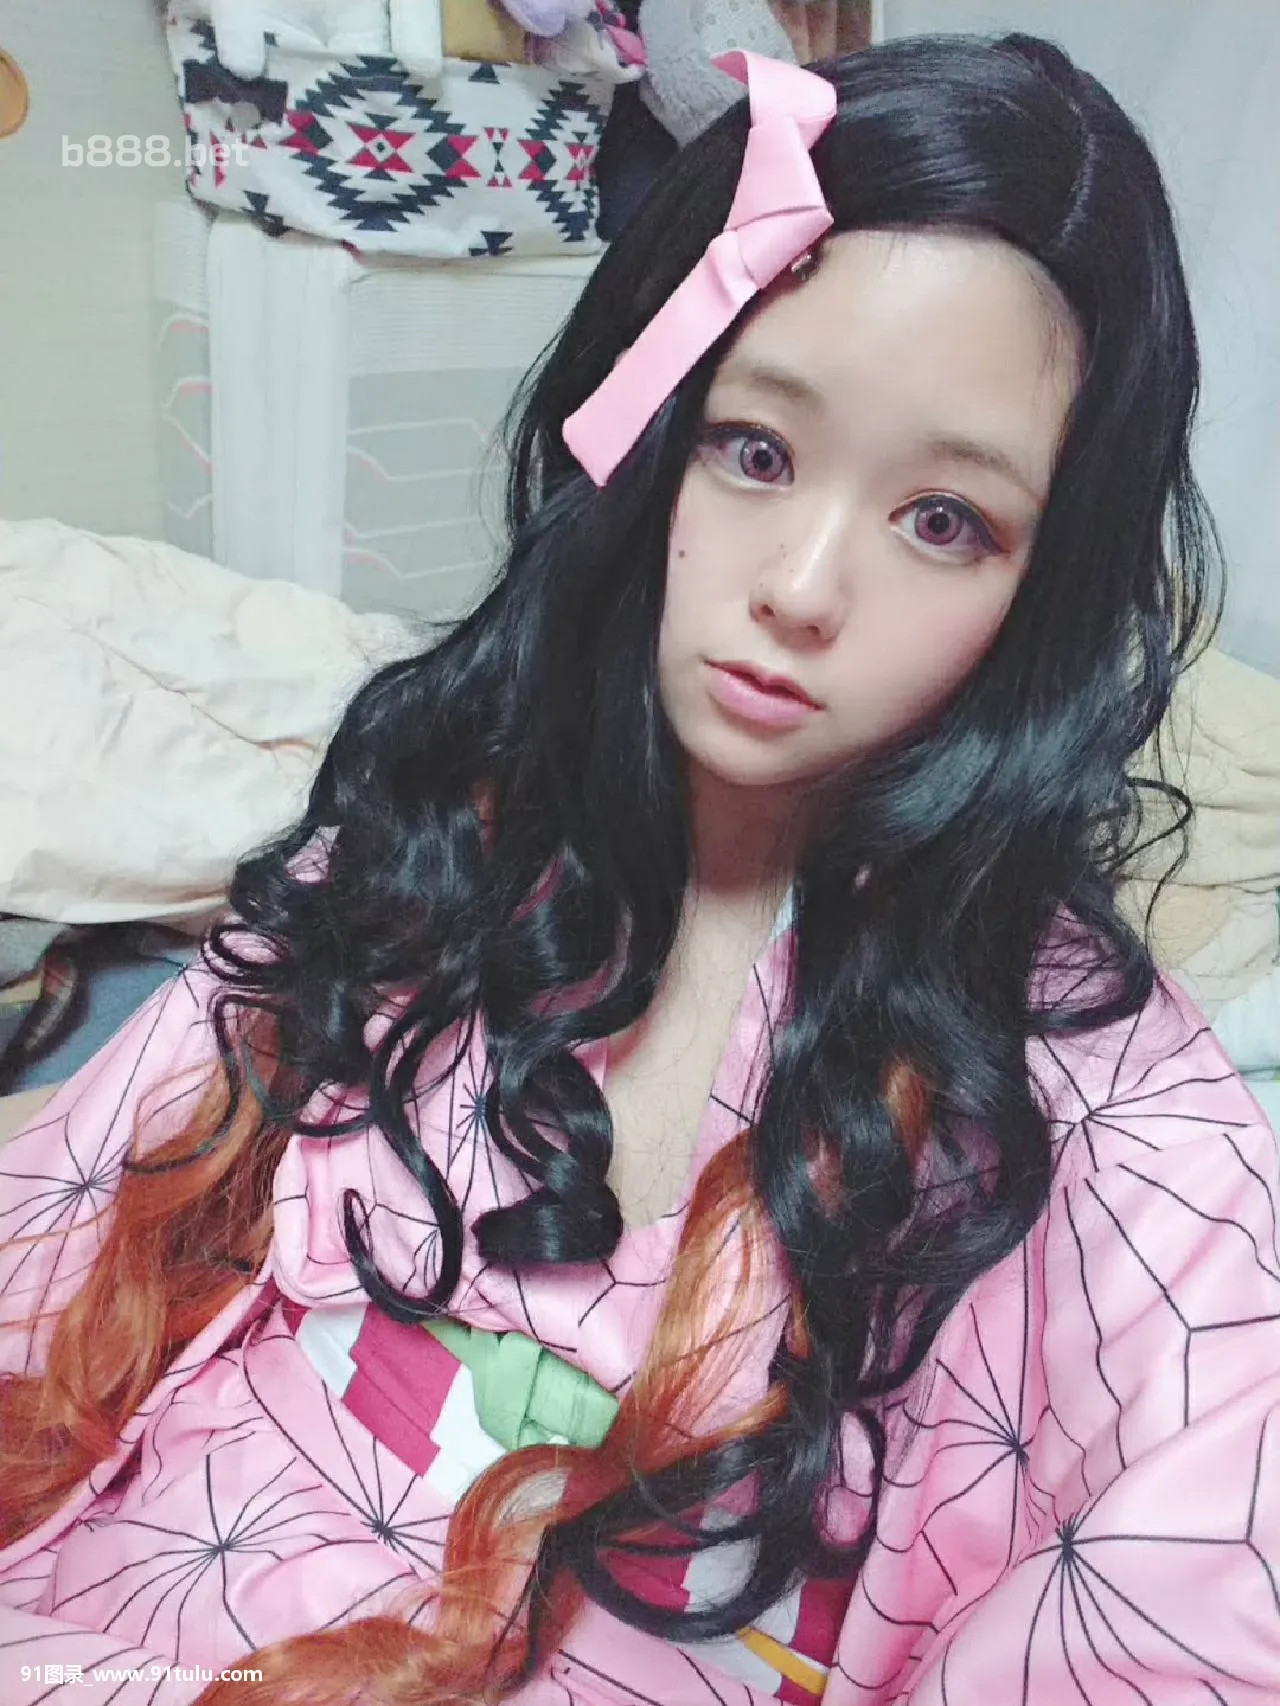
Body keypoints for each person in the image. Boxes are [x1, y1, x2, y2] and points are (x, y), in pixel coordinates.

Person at [2, 31, 1278, 1706]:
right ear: (648, 431)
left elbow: (1201, 1559)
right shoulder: (446, 823)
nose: (802, 586)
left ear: (1047, 590)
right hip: (160, 1547)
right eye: (756, 449)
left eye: (943, 520)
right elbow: (82, 1205)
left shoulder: (1092, 1090)